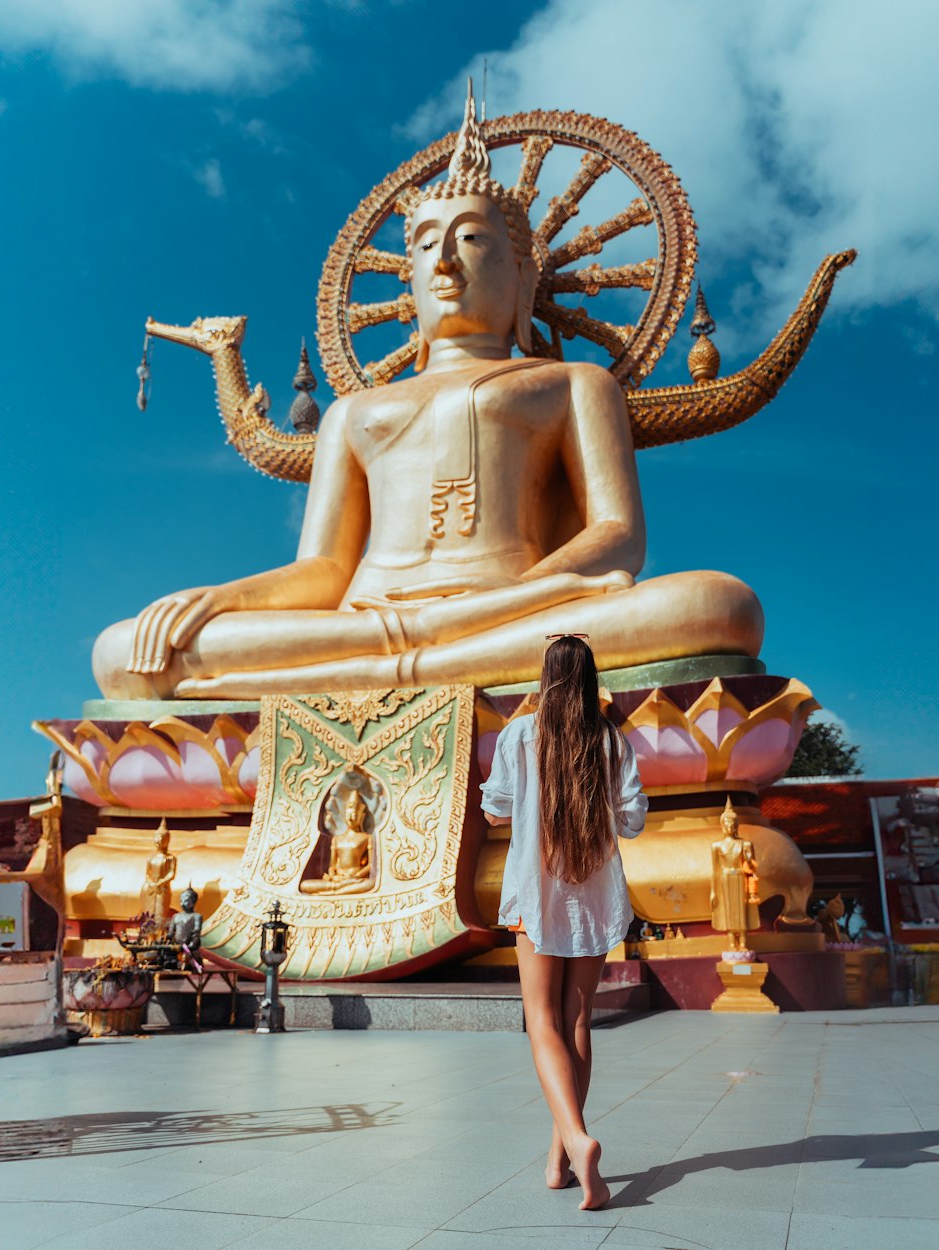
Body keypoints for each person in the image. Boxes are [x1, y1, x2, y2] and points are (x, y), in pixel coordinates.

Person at [91, 90, 761, 701]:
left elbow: (616, 538)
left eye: (471, 239)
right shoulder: (355, 411)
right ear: (407, 281)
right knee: (126, 652)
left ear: (522, 274)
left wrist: (506, 603)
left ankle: (359, 679)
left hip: (512, 612)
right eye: (424, 245)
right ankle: (413, 666)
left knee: (717, 606)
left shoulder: (574, 384)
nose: (443, 262)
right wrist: (219, 601)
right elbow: (325, 567)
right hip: (368, 621)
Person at [480, 634, 647, 1210]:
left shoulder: (520, 732)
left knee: (542, 1020)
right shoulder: (610, 740)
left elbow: (495, 808)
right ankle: (560, 1163)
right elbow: (632, 821)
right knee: (578, 1020)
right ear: (591, 677)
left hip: (535, 890)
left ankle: (574, 1141)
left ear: (547, 676)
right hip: (594, 893)